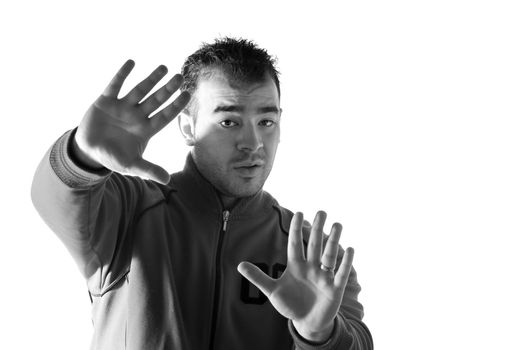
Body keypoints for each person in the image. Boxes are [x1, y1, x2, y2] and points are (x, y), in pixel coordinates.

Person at [31, 37, 373, 350]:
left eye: (266, 122)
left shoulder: (314, 253)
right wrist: (81, 155)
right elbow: (56, 197)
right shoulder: (129, 208)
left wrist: (319, 334)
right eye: (229, 121)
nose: (253, 144)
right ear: (188, 126)